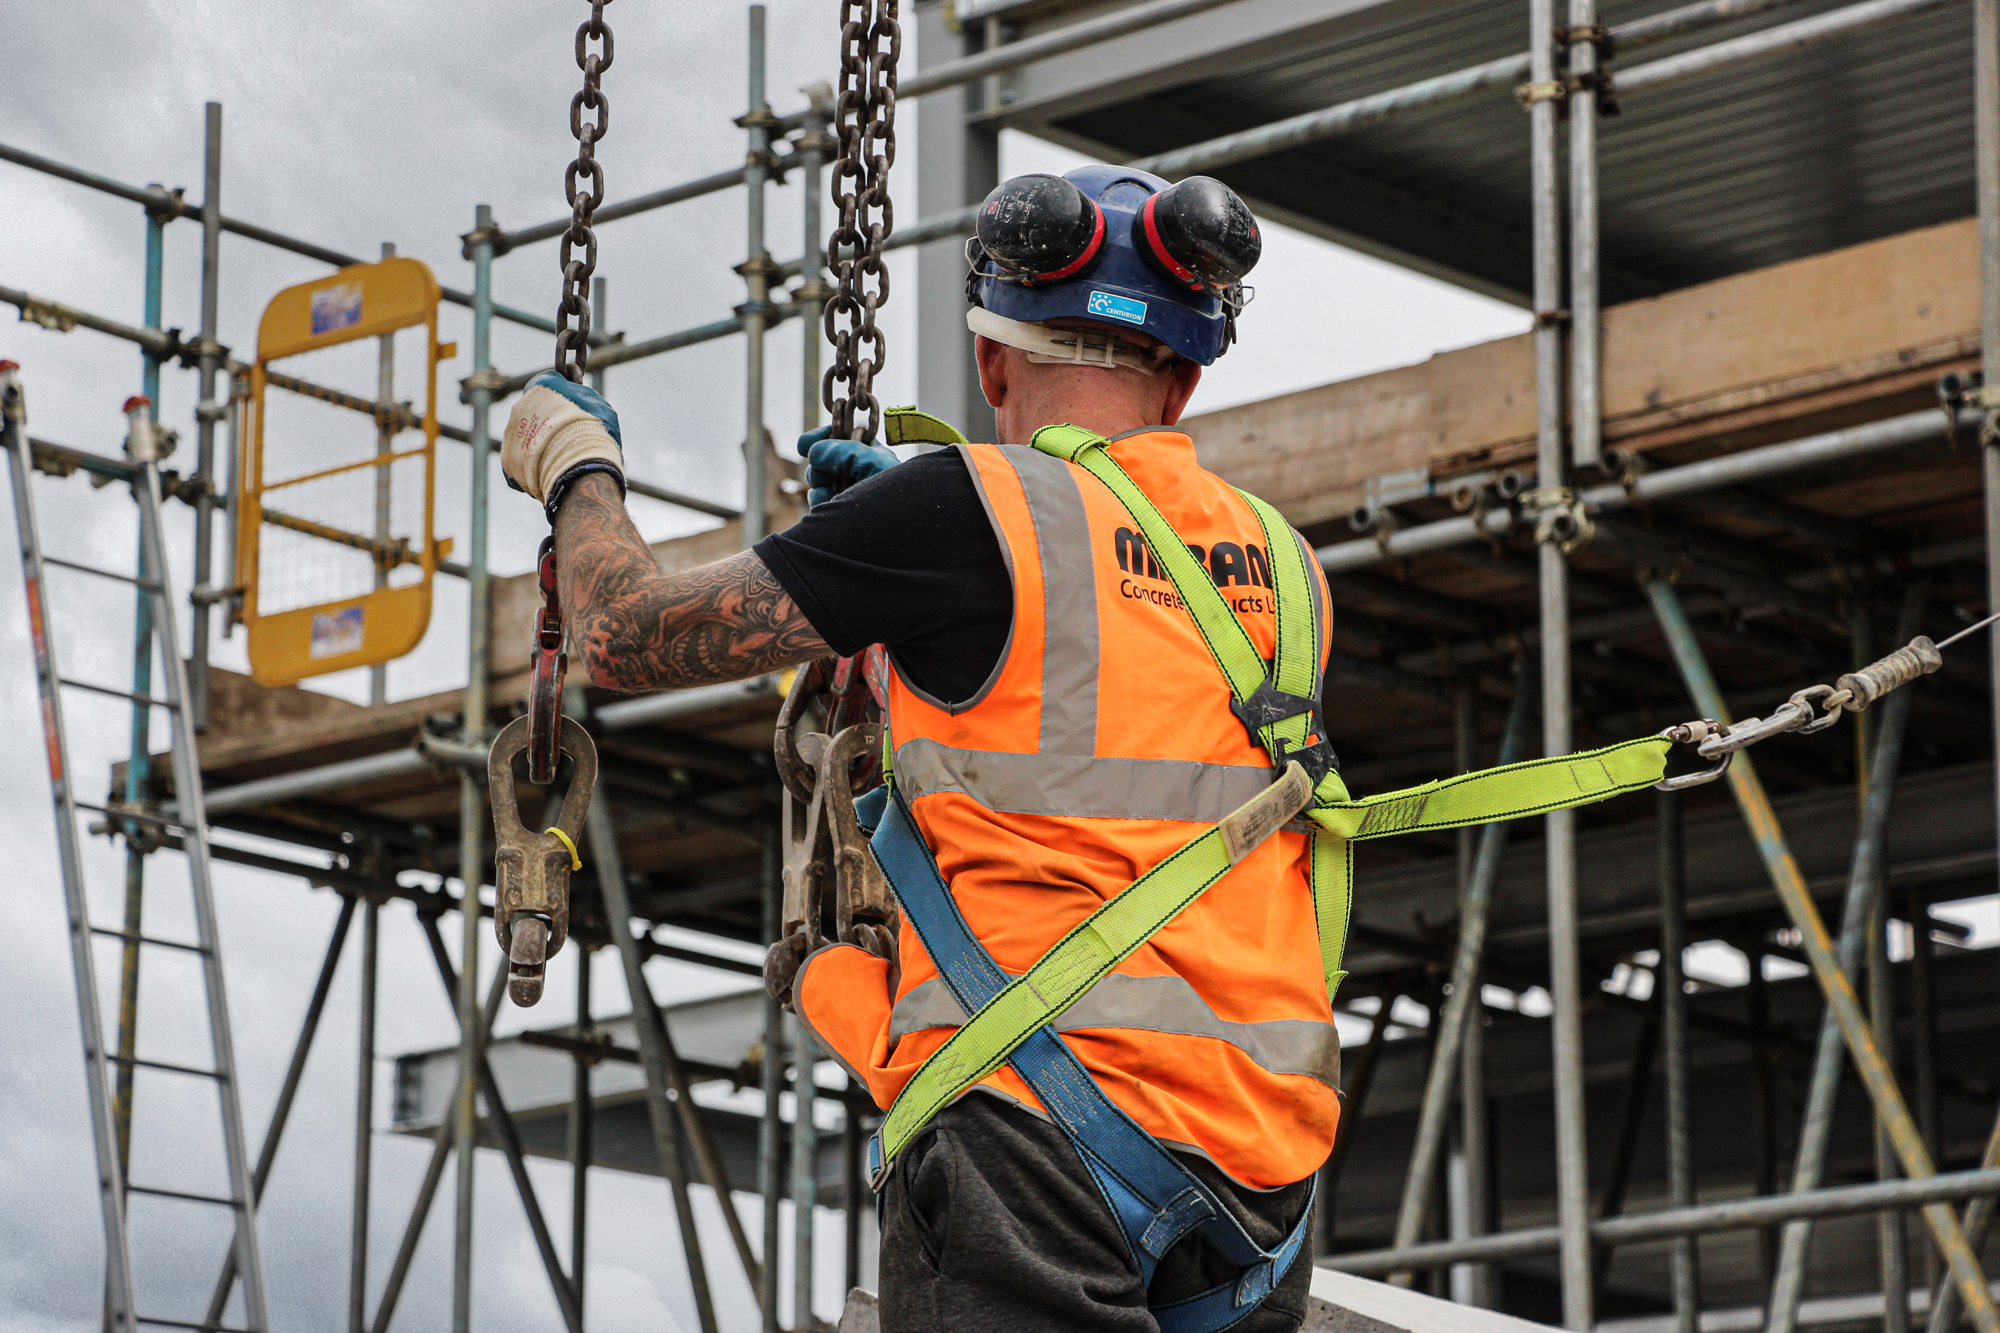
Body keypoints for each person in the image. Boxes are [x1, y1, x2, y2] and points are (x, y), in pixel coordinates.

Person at [502, 165, 1341, 1333]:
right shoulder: (1286, 568)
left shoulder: (962, 510)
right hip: (1262, 1170)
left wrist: (573, 467)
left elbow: (623, 639)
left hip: (1041, 1151)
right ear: (1184, 380)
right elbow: (1102, 710)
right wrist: (908, 597)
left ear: (992, 361)